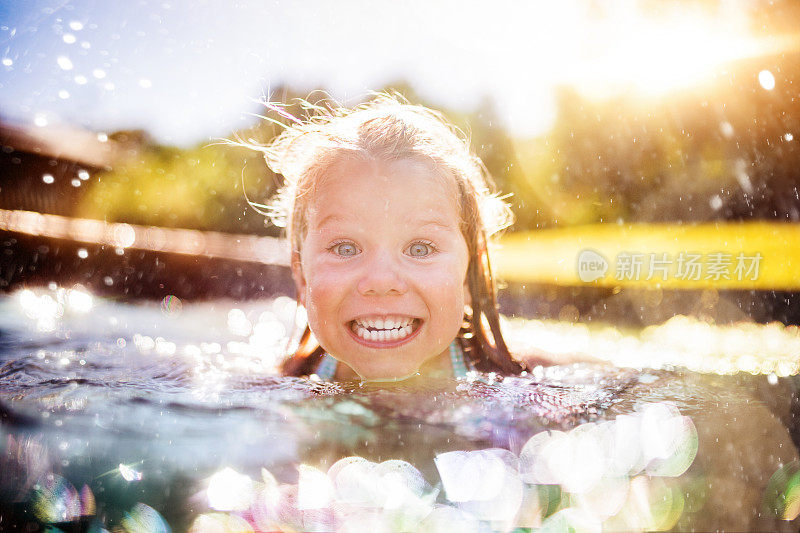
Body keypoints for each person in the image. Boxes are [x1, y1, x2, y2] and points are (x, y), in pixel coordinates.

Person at [254, 94, 527, 381]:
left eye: (420, 249)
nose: (381, 281)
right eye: (345, 248)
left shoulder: (518, 385)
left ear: (472, 270)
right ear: (301, 274)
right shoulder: (283, 386)